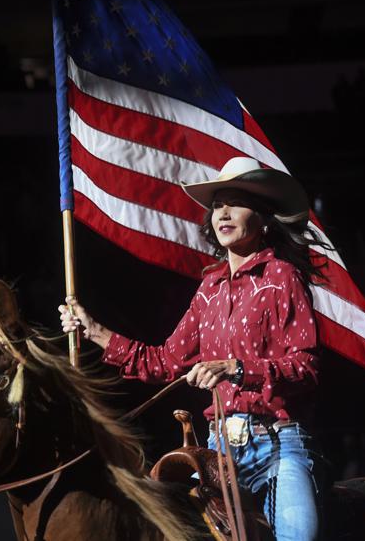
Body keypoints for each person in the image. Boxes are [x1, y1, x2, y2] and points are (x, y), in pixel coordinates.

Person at [59, 157, 330, 541]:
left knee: (299, 536)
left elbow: (306, 367)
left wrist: (236, 368)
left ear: (264, 219)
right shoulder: (209, 290)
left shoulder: (282, 278)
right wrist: (95, 331)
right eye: (218, 204)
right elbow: (165, 362)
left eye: (236, 203)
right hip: (217, 452)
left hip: (277, 445)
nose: (223, 212)